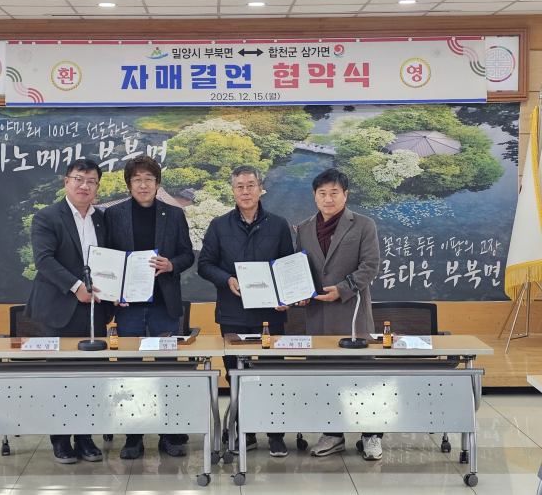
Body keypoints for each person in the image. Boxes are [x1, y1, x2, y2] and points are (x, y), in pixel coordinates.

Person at [198, 165, 293, 457]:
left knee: (272, 374)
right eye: (240, 186)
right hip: (233, 314)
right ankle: (244, 432)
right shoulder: (218, 225)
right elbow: (204, 265)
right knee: (235, 375)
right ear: (233, 191)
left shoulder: (279, 225)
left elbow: (288, 267)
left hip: (270, 316)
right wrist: (227, 279)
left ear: (261, 188)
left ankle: (276, 435)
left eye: (251, 185)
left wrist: (286, 295)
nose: (246, 191)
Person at [103, 155, 195, 459]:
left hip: (163, 304)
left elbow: (187, 254)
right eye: (137, 179)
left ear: (157, 183)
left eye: (149, 179)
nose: (143, 185)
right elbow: (106, 258)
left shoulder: (174, 213)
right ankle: (133, 435)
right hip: (128, 306)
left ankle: (169, 433)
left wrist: (172, 265)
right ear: (129, 184)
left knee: (167, 369)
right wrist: (112, 290)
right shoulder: (113, 214)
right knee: (130, 368)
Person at [25, 159, 110, 464]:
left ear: (97, 187)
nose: (84, 186)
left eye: (91, 181)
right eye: (79, 179)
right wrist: (76, 287)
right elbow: (44, 260)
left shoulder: (103, 219)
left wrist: (117, 291)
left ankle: (85, 437)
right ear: (66, 181)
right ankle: (60, 439)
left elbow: (111, 259)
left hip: (95, 310)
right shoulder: (47, 217)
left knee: (91, 375)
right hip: (59, 308)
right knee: (60, 375)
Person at [295, 168, 382, 461]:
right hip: (317, 315)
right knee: (325, 377)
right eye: (322, 193)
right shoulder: (304, 228)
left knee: (363, 378)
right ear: (314, 196)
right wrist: (298, 293)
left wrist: (342, 289)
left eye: (334, 192)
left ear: (345, 194)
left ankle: (371, 435)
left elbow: (370, 266)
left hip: (352, 314)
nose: (328, 198)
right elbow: (300, 268)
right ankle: (332, 434)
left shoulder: (364, 224)